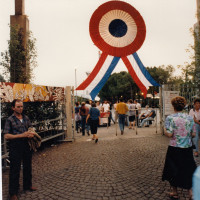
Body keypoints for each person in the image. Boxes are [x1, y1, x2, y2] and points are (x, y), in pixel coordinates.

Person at [162, 96, 197, 200]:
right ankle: (191, 193)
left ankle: (174, 192)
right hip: (187, 148)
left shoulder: (170, 118)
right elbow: (194, 134)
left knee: (173, 169)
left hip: (174, 148)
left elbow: (169, 134)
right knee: (188, 169)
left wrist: (164, 129)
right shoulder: (190, 118)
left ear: (173, 106)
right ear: (183, 106)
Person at [3, 99, 37, 200]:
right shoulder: (10, 120)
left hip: (26, 145)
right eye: (18, 107)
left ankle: (27, 185)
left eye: (21, 106)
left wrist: (31, 133)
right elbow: (6, 136)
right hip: (15, 146)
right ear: (13, 108)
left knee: (28, 166)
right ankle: (13, 192)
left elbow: (31, 127)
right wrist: (22, 135)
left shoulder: (26, 117)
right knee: (15, 169)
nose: (20, 108)